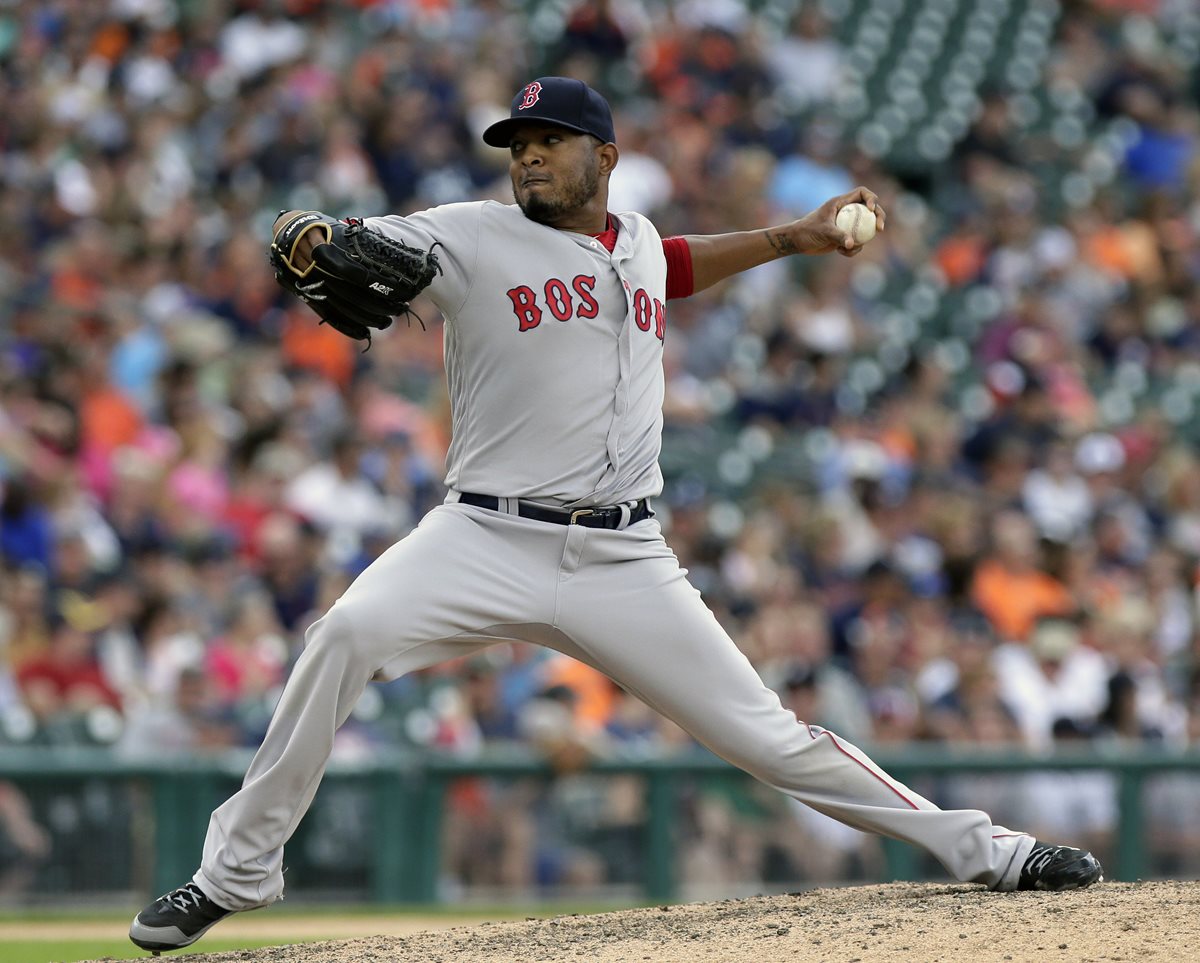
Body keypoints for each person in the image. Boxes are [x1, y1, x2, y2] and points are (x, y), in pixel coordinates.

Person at [130, 76, 1102, 953]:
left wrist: (790, 239)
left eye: (550, 139)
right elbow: (381, 243)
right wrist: (318, 236)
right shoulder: (467, 233)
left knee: (769, 738)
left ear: (606, 157)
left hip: (624, 557)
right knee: (341, 636)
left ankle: (998, 855)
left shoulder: (632, 239)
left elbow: (670, 263)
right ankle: (232, 876)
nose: (530, 156)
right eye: (519, 143)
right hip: (479, 536)